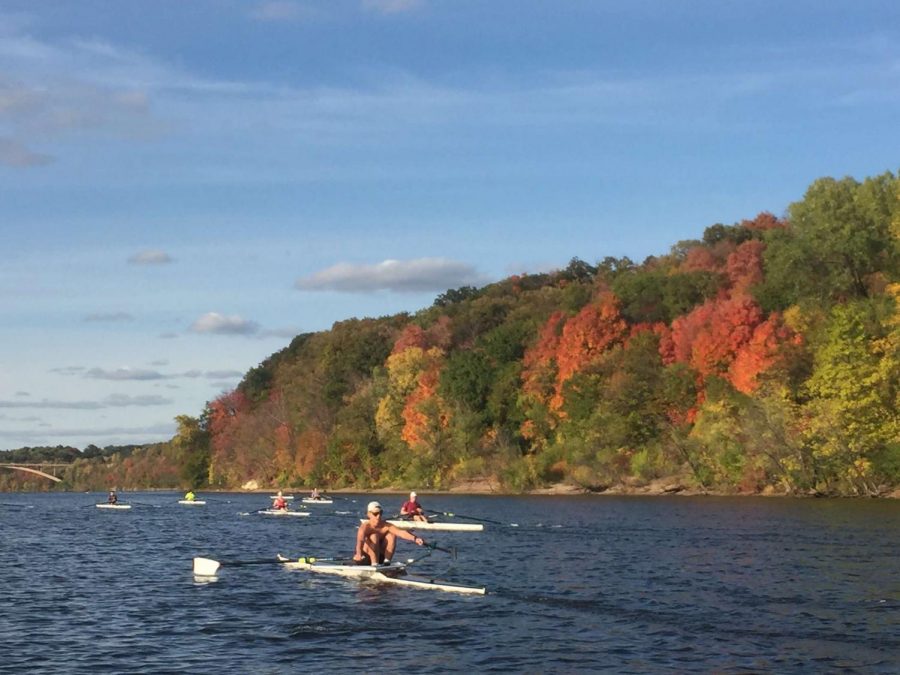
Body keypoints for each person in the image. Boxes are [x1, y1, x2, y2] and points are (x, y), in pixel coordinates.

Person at [354, 501, 425, 565]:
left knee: (392, 535)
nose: (378, 516)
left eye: (380, 513)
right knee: (374, 536)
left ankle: (387, 562)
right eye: (375, 514)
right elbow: (360, 541)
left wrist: (415, 538)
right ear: (369, 514)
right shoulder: (365, 527)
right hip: (365, 558)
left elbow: (400, 532)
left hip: (380, 558)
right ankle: (374, 564)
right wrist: (358, 554)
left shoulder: (386, 525)